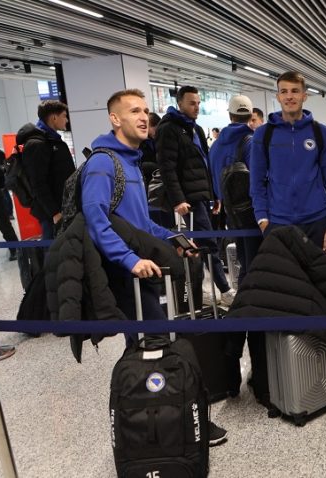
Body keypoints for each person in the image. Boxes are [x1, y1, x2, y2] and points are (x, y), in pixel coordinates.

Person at [81, 88, 228, 446]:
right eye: (133, 111)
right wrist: (130, 260)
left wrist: (176, 240)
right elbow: (96, 220)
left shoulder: (129, 161)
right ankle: (176, 423)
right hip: (124, 275)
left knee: (148, 350)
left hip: (139, 272)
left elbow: (143, 224)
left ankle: (155, 423)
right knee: (160, 346)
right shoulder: (103, 163)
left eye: (145, 110)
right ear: (115, 119)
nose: (143, 116)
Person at [156, 85, 234, 307]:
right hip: (187, 199)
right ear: (180, 103)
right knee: (207, 243)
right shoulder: (168, 129)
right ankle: (224, 288)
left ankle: (206, 289)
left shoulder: (196, 129)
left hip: (201, 196)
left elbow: (205, 164)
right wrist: (178, 199)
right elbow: (167, 167)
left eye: (199, 103)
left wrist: (214, 194)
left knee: (204, 244)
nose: (196, 107)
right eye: (192, 103)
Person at [249, 71, 326, 252]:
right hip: (277, 223)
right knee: (284, 280)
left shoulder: (321, 133)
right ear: (277, 96)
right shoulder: (263, 134)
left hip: (316, 222)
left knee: (317, 279)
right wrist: (262, 220)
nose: (289, 96)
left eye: (295, 91)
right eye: (284, 91)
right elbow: (256, 182)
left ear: (304, 96)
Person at [209, 94, 261, 284]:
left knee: (245, 260)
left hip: (231, 212)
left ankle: (245, 302)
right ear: (250, 115)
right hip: (253, 212)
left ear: (230, 115)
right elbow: (259, 179)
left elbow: (213, 180)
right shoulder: (252, 142)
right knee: (257, 263)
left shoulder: (215, 146)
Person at [18, 100, 76, 239]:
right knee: (53, 250)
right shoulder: (37, 144)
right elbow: (37, 182)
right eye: (64, 115)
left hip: (63, 205)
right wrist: (54, 212)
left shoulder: (52, 140)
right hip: (52, 212)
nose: (66, 120)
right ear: (54, 118)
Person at [138, 112, 161, 190]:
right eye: (153, 127)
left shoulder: (157, 140)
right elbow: (139, 164)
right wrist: (156, 167)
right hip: (146, 182)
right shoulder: (139, 142)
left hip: (158, 181)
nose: (156, 131)